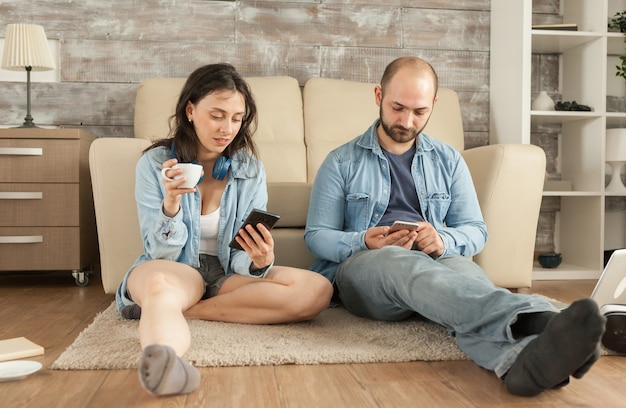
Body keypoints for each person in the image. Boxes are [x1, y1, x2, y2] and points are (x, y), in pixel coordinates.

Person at [304, 56, 606, 397]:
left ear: (433, 104)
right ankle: (539, 318)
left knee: (471, 284)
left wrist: (442, 239)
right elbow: (317, 237)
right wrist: (364, 241)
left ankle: (521, 366)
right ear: (378, 96)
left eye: (419, 111)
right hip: (368, 269)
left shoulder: (448, 160)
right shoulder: (341, 162)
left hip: (437, 263)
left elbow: (475, 229)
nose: (406, 120)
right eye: (397, 107)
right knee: (404, 263)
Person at [117, 63, 333, 396]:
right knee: (160, 286)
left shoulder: (248, 168)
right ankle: (168, 362)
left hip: (226, 275)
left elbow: (241, 257)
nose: (227, 128)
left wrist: (259, 261)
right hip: (175, 268)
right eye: (217, 115)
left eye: (236, 118)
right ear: (190, 109)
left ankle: (186, 311)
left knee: (316, 289)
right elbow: (160, 253)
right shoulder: (155, 164)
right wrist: (171, 205)